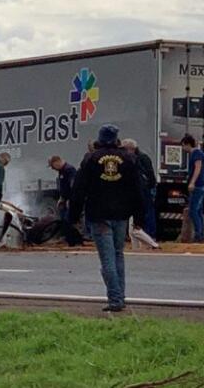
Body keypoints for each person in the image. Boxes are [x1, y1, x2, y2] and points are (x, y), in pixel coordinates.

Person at [70, 125, 144, 312]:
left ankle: (115, 299)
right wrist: (139, 216)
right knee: (118, 254)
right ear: (117, 139)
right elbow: (138, 190)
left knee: (107, 260)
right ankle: (121, 295)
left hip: (99, 214)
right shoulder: (129, 159)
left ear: (100, 139)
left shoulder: (91, 159)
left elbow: (79, 189)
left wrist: (73, 216)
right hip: (121, 214)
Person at [121, 139, 158, 240]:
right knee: (144, 211)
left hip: (145, 189)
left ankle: (149, 234)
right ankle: (144, 234)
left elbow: (149, 174)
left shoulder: (140, 158)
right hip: (143, 188)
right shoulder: (140, 157)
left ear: (130, 149)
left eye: (124, 149)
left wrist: (150, 187)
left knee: (147, 212)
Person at [48, 155, 82, 247]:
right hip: (65, 199)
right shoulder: (62, 171)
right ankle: (73, 240)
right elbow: (64, 187)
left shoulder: (69, 170)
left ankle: (75, 241)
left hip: (70, 200)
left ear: (57, 162)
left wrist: (70, 200)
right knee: (64, 220)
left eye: (52, 166)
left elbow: (73, 186)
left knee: (68, 221)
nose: (52, 169)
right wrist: (61, 198)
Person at [181, 134, 204, 243]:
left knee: (193, 211)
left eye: (183, 146)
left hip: (198, 185)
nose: (183, 148)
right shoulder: (196, 154)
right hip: (200, 185)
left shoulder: (196, 154)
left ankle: (198, 235)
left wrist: (192, 182)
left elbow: (198, 168)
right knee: (199, 211)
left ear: (188, 144)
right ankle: (200, 234)